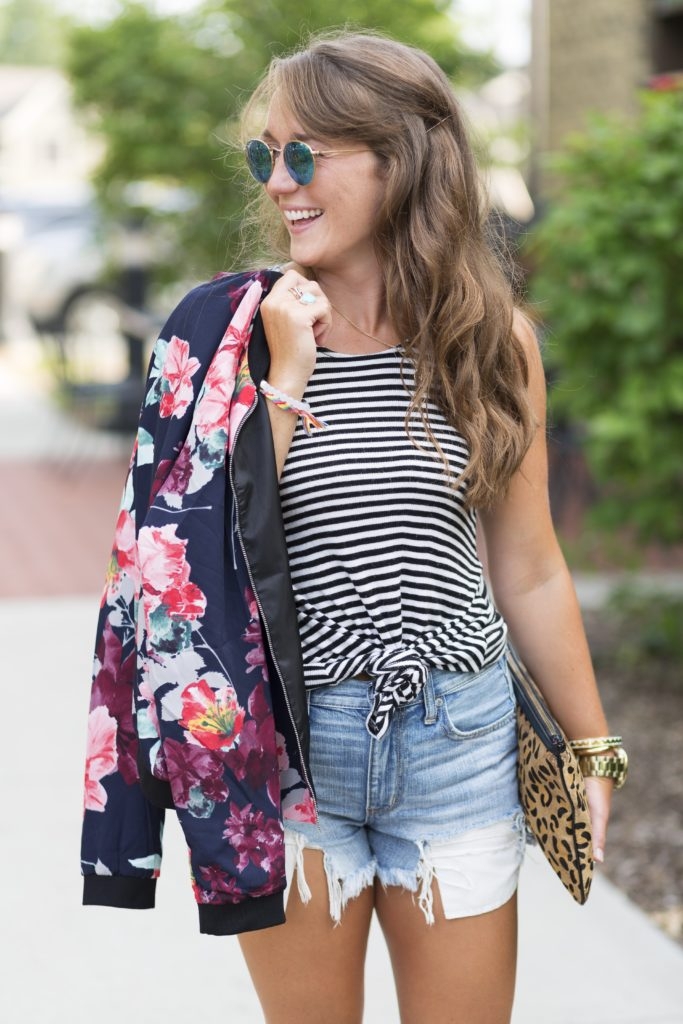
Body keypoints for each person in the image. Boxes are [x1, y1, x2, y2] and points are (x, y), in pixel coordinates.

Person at [81, 31, 625, 1024]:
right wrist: (283, 380)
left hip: (455, 738)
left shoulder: (488, 340)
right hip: (288, 753)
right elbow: (194, 556)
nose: (278, 181)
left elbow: (530, 565)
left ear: (401, 157)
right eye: (263, 156)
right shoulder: (224, 335)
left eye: (305, 154)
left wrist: (589, 747)